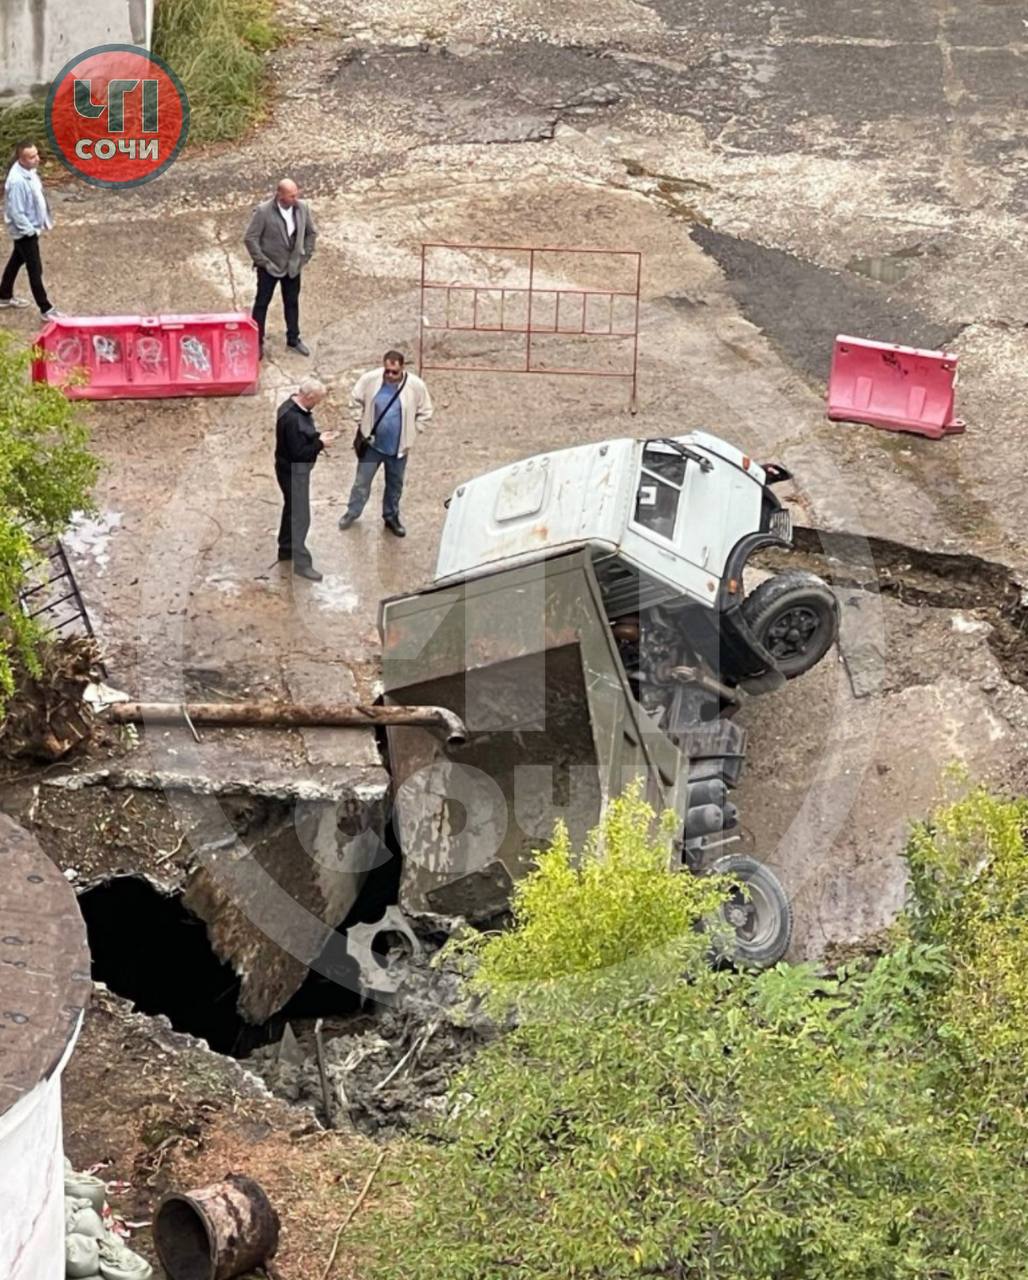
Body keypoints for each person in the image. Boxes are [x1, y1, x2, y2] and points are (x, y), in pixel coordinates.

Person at [338, 351, 433, 539]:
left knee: (394, 485)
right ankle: (352, 512)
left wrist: (414, 432)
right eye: (387, 371)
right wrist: (361, 422)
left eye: (394, 372)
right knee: (361, 483)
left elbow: (426, 411)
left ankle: (391, 517)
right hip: (372, 447)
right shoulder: (370, 380)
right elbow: (355, 400)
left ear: (402, 369)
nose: (389, 376)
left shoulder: (415, 386)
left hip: (398, 449)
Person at [244, 178, 317, 359]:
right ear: (280, 195)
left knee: (292, 303)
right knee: (262, 304)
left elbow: (311, 233)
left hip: (292, 266)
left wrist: (304, 257)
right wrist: (263, 262)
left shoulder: (303, 208)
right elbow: (250, 238)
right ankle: (257, 341)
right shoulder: (263, 212)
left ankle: (293, 338)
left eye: (296, 194)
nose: (295, 198)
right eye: (291, 195)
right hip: (270, 267)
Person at [275, 376, 337, 581]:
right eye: (317, 400)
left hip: (287, 469)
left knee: (291, 508)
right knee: (301, 516)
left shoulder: (289, 406)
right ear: (309, 396)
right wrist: (320, 444)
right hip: (294, 471)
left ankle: (285, 548)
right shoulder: (292, 420)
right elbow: (298, 452)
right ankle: (301, 563)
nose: (317, 404)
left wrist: (316, 437)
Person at [0, 141, 60, 318]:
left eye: (36, 154)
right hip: (26, 231)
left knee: (16, 260)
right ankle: (46, 309)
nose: (37, 159)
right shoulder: (17, 182)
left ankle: (4, 295)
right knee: (35, 270)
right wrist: (30, 232)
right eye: (32, 157)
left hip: (31, 227)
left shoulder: (28, 170)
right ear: (21, 159)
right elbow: (16, 212)